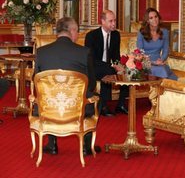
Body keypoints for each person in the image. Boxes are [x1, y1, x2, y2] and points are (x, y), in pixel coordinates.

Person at [34, 17, 101, 156]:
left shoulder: (41, 52)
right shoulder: (84, 52)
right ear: (72, 31)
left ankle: (52, 145)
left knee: (48, 95)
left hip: (48, 107)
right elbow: (92, 84)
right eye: (77, 31)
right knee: (95, 97)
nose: (77, 35)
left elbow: (37, 82)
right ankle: (86, 146)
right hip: (77, 107)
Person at [85, 10, 128, 116]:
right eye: (111, 21)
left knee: (127, 72)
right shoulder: (91, 36)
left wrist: (119, 65)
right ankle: (103, 106)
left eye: (115, 21)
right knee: (108, 70)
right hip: (94, 67)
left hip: (108, 66)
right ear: (103, 21)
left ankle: (121, 104)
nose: (114, 24)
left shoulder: (116, 35)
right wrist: (113, 66)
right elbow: (91, 59)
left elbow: (116, 55)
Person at [137, 7, 177, 80]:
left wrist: (161, 60)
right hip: (146, 63)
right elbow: (140, 52)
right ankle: (159, 89)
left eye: (156, 16)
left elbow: (165, 50)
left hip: (159, 62)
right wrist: (153, 62)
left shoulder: (164, 32)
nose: (154, 19)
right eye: (151, 18)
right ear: (147, 20)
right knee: (161, 70)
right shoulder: (141, 33)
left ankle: (165, 89)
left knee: (163, 69)